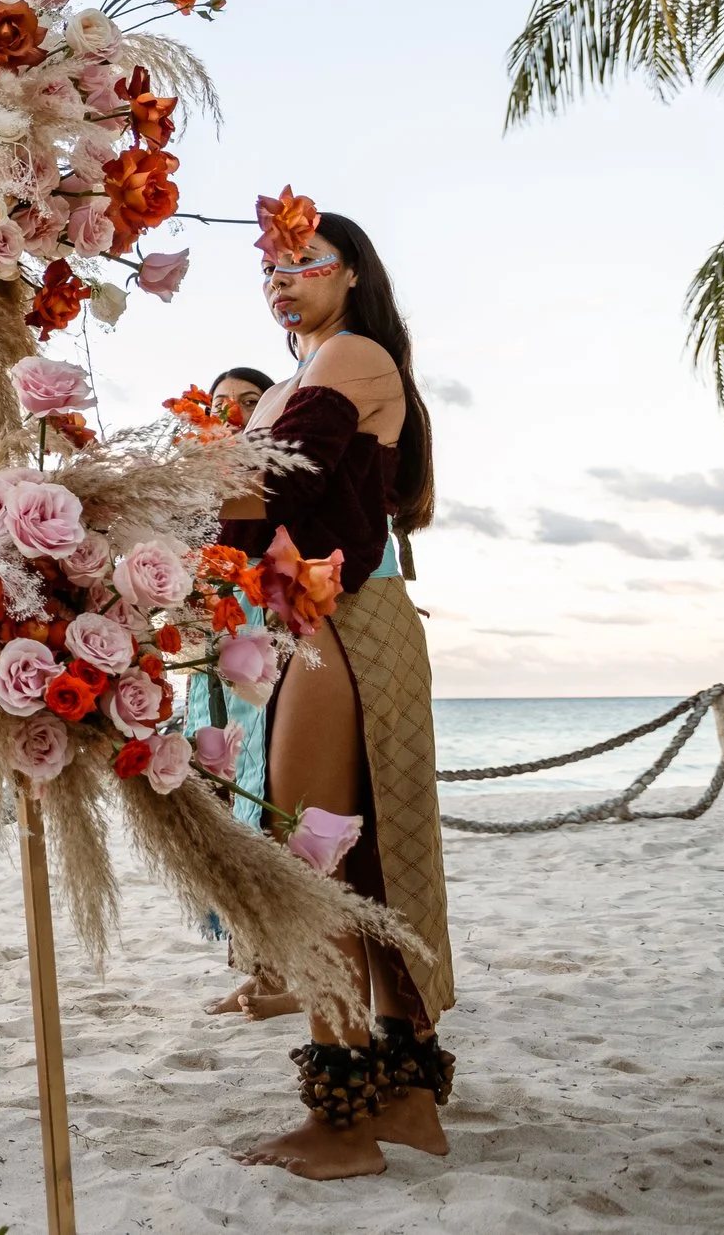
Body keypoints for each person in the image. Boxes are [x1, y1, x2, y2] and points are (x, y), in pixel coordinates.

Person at [221, 213, 454, 1180]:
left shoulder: (351, 357)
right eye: (269, 267)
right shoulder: (303, 372)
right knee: (363, 865)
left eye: (302, 263)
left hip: (345, 622)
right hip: (333, 620)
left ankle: (343, 1117)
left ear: (350, 273)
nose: (282, 279)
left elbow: (280, 480)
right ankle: (402, 1099)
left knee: (310, 856)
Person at [192, 363, 291, 1019]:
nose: (233, 415)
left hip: (267, 648)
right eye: (221, 404)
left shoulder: (284, 482)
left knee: (269, 807)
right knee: (220, 805)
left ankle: (285, 975)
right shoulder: (194, 488)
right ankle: (252, 970)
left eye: (249, 403)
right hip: (207, 655)